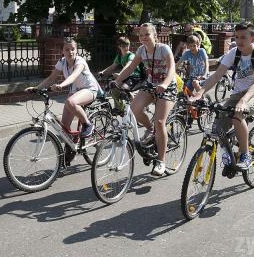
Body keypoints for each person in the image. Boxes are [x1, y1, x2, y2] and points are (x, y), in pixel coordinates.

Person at [190, 22, 254, 171]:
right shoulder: (234, 53)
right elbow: (216, 76)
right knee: (217, 127)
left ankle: (245, 155)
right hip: (236, 95)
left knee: (236, 114)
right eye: (237, 37)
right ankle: (228, 155)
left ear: (253, 38)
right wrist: (199, 93)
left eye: (243, 37)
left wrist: (243, 101)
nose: (239, 41)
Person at [114, 23, 177, 176]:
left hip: (167, 87)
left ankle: (161, 162)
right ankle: (151, 130)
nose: (143, 37)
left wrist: (164, 83)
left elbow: (171, 69)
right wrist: (116, 82)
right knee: (134, 109)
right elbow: (130, 68)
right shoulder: (141, 50)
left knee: (160, 121)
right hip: (150, 85)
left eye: (147, 34)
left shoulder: (164, 49)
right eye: (141, 35)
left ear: (155, 35)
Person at [26, 38, 101, 138]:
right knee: (64, 128)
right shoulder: (62, 62)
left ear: (76, 50)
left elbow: (73, 76)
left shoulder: (80, 62)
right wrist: (36, 88)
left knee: (71, 102)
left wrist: (61, 85)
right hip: (75, 91)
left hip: (89, 89)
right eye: (67, 49)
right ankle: (70, 151)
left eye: (73, 49)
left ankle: (87, 124)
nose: (70, 52)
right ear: (62, 51)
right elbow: (51, 78)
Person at [99, 36, 144, 113]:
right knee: (113, 88)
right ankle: (119, 108)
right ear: (119, 46)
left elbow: (128, 66)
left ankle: (136, 107)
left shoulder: (131, 55)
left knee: (123, 88)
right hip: (126, 76)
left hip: (135, 77)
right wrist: (103, 72)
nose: (126, 48)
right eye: (123, 46)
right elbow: (113, 66)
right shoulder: (119, 57)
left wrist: (120, 74)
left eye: (127, 45)